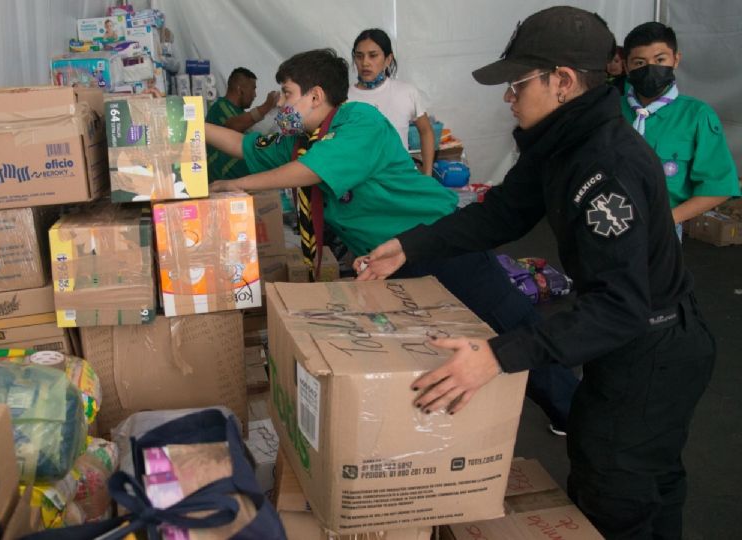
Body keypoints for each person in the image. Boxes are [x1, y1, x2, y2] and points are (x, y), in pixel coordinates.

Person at [355, 7, 715, 538]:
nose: (508, 97)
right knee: (644, 482)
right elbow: (502, 213)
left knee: (615, 493)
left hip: (652, 349)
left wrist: (498, 356)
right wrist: (410, 246)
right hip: (640, 337)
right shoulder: (561, 142)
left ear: (563, 82)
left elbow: (618, 308)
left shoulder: (603, 167)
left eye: (517, 84)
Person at [207, 48, 577, 436]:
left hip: (439, 239)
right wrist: (186, 126)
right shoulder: (300, 139)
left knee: (505, 323)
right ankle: (453, 431)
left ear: (315, 96)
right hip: (392, 258)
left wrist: (236, 184)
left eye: (285, 93)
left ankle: (572, 411)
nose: (279, 104)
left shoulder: (357, 122)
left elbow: (306, 172)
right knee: (429, 344)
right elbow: (241, 145)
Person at [621, 22, 740, 239]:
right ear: (626, 66)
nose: (651, 68)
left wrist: (668, 220)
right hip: (605, 224)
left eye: (660, 60)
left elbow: (718, 185)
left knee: (655, 274)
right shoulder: (609, 110)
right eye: (639, 62)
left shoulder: (696, 115)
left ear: (676, 59)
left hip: (662, 230)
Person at [349, 29, 436, 174]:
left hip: (399, 179)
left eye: (373, 56)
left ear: (388, 59)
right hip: (360, 183)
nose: (365, 63)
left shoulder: (406, 92)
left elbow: (426, 131)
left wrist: (427, 174)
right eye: (359, 56)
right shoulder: (344, 98)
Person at [206, 67, 279, 181]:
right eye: (253, 89)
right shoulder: (221, 107)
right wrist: (266, 106)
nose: (255, 95)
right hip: (223, 185)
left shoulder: (239, 112)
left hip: (239, 185)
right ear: (240, 89)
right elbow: (233, 126)